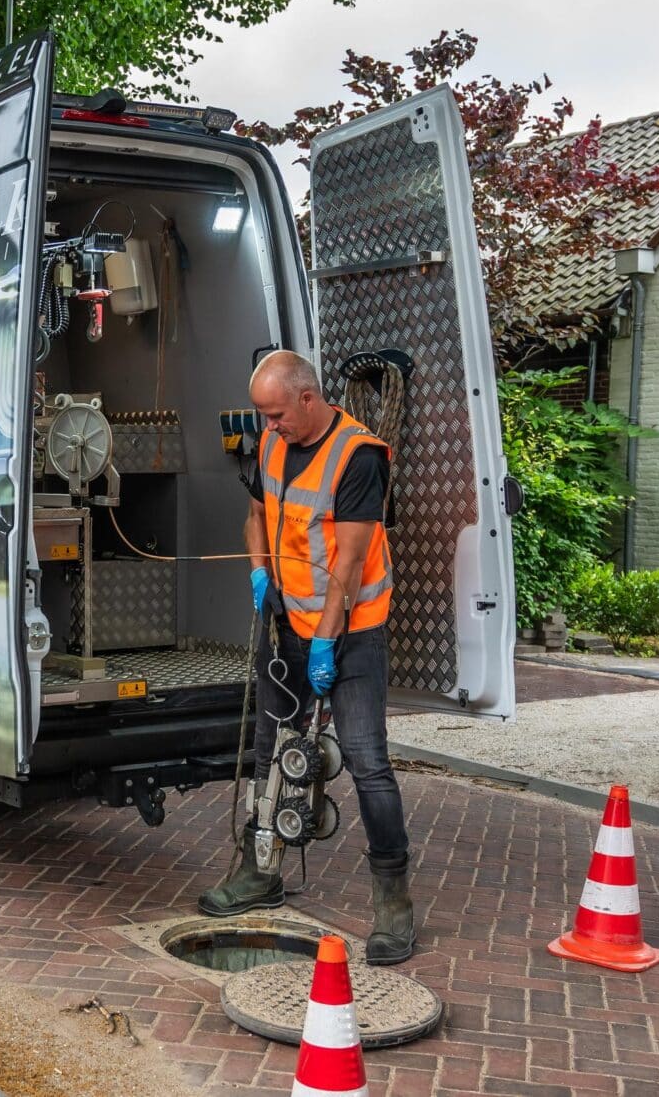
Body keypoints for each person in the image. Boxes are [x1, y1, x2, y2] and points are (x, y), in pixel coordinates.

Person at [196, 350, 414, 965]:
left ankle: (394, 901)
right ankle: (260, 870)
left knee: (368, 762)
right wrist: (260, 573)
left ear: (308, 399)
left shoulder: (358, 456)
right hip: (287, 624)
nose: (268, 426)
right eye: (263, 416)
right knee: (270, 751)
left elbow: (350, 560)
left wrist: (325, 639)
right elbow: (256, 516)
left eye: (276, 414)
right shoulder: (272, 442)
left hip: (352, 632)